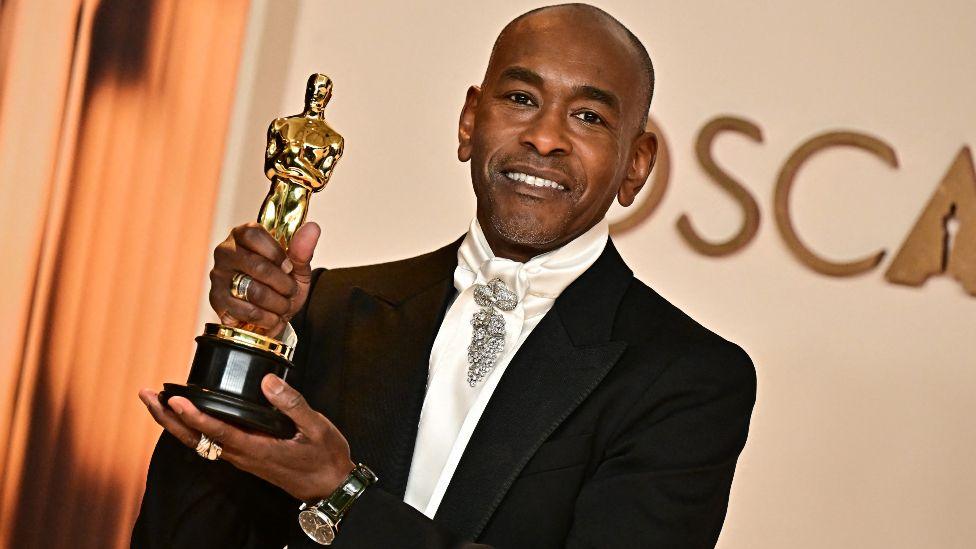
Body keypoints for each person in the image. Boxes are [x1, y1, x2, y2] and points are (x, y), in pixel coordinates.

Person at [133, 4, 756, 548]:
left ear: (636, 165)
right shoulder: (328, 311)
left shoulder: (689, 378)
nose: (544, 138)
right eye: (521, 99)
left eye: (589, 117)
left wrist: (341, 494)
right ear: (469, 121)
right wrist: (248, 348)